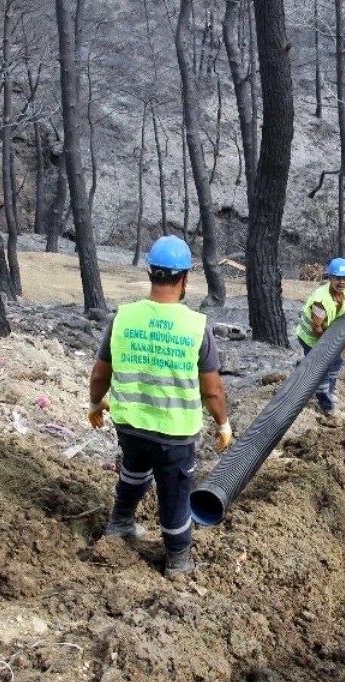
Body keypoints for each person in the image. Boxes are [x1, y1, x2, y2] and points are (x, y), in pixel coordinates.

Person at [87, 235, 232, 577]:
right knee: (175, 496)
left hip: (130, 425)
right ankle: (179, 561)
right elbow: (212, 391)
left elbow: (99, 373)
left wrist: (96, 404)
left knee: (134, 471)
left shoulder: (124, 317)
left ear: (151, 272)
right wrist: (223, 425)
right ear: (185, 279)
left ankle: (119, 524)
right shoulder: (196, 327)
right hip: (175, 434)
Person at [296, 257, 345, 423]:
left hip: (325, 333)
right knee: (322, 372)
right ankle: (327, 407)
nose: (341, 282)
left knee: (335, 363)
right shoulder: (321, 301)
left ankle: (329, 393)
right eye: (338, 278)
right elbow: (317, 328)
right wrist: (331, 344)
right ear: (330, 278)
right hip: (311, 338)